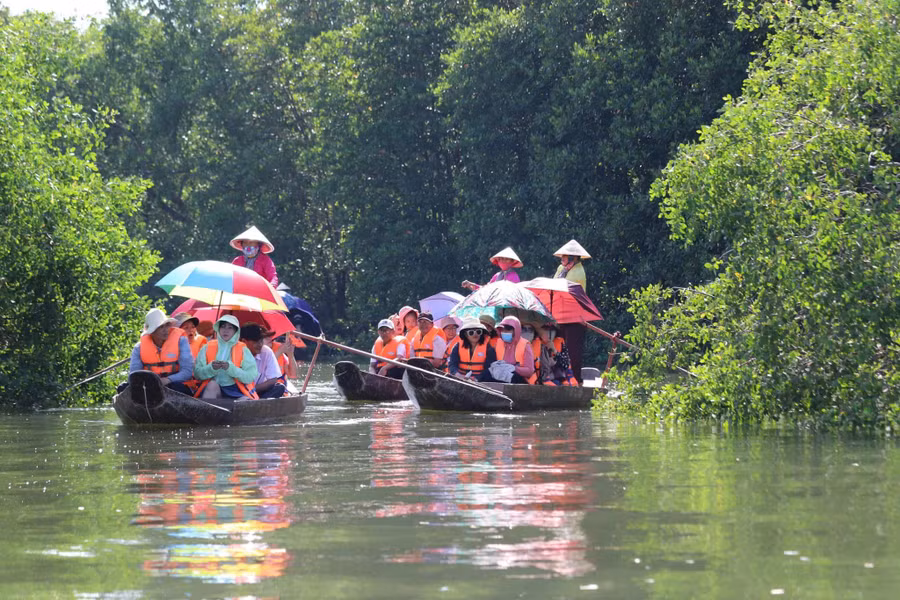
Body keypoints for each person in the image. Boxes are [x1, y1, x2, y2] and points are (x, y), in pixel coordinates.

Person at [126, 308, 194, 395]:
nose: (166, 330)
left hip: (176, 384)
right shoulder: (139, 347)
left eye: (167, 325)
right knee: (124, 388)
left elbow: (187, 371)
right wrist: (151, 383)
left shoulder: (181, 341)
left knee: (175, 387)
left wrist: (167, 380)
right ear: (152, 331)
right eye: (161, 327)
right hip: (150, 386)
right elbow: (134, 375)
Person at [193, 315, 259, 399]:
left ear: (236, 331)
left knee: (245, 402)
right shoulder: (207, 347)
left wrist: (231, 369)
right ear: (218, 329)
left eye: (230, 327)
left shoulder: (243, 349)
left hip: (236, 389)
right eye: (223, 327)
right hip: (211, 387)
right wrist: (211, 368)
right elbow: (197, 374)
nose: (225, 330)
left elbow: (250, 376)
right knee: (212, 385)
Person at [552, 239, 590, 382]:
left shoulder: (578, 272)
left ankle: (576, 379)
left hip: (575, 316)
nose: (562, 258)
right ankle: (560, 376)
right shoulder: (561, 269)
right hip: (560, 314)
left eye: (565, 256)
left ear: (573, 258)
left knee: (573, 350)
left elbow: (561, 288)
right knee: (558, 345)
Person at [241, 324, 288, 398]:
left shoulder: (266, 352)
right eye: (256, 341)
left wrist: (253, 389)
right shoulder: (235, 352)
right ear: (244, 341)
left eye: (261, 341)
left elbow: (273, 379)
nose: (260, 345)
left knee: (280, 388)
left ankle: (256, 402)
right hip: (239, 391)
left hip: (258, 391)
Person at [489, 316, 536, 384]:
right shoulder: (498, 343)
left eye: (508, 330)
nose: (504, 332)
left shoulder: (525, 345)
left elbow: (529, 371)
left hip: (522, 382)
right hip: (501, 379)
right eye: (502, 330)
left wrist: (514, 368)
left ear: (516, 330)